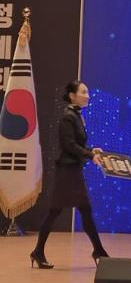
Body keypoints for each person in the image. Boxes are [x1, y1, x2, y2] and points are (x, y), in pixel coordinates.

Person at [30, 80, 108, 269]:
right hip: (67, 172)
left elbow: (76, 144)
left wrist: (91, 150)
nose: (87, 96)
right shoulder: (68, 117)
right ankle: (98, 251)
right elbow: (68, 145)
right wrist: (90, 155)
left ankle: (98, 251)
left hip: (72, 170)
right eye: (83, 92)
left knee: (79, 210)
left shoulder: (75, 115)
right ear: (72, 96)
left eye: (87, 92)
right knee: (60, 211)